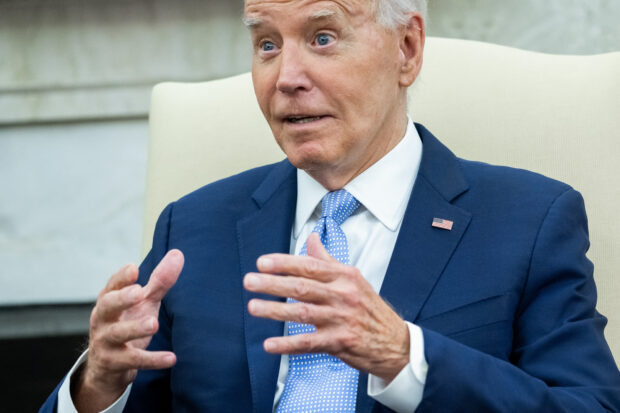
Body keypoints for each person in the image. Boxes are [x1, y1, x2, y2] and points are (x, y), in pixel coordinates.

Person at [41, 0, 620, 412]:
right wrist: (98, 383)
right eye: (267, 44)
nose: (287, 77)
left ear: (407, 49)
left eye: (322, 37)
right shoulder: (192, 228)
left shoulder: (529, 221)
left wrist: (403, 356)